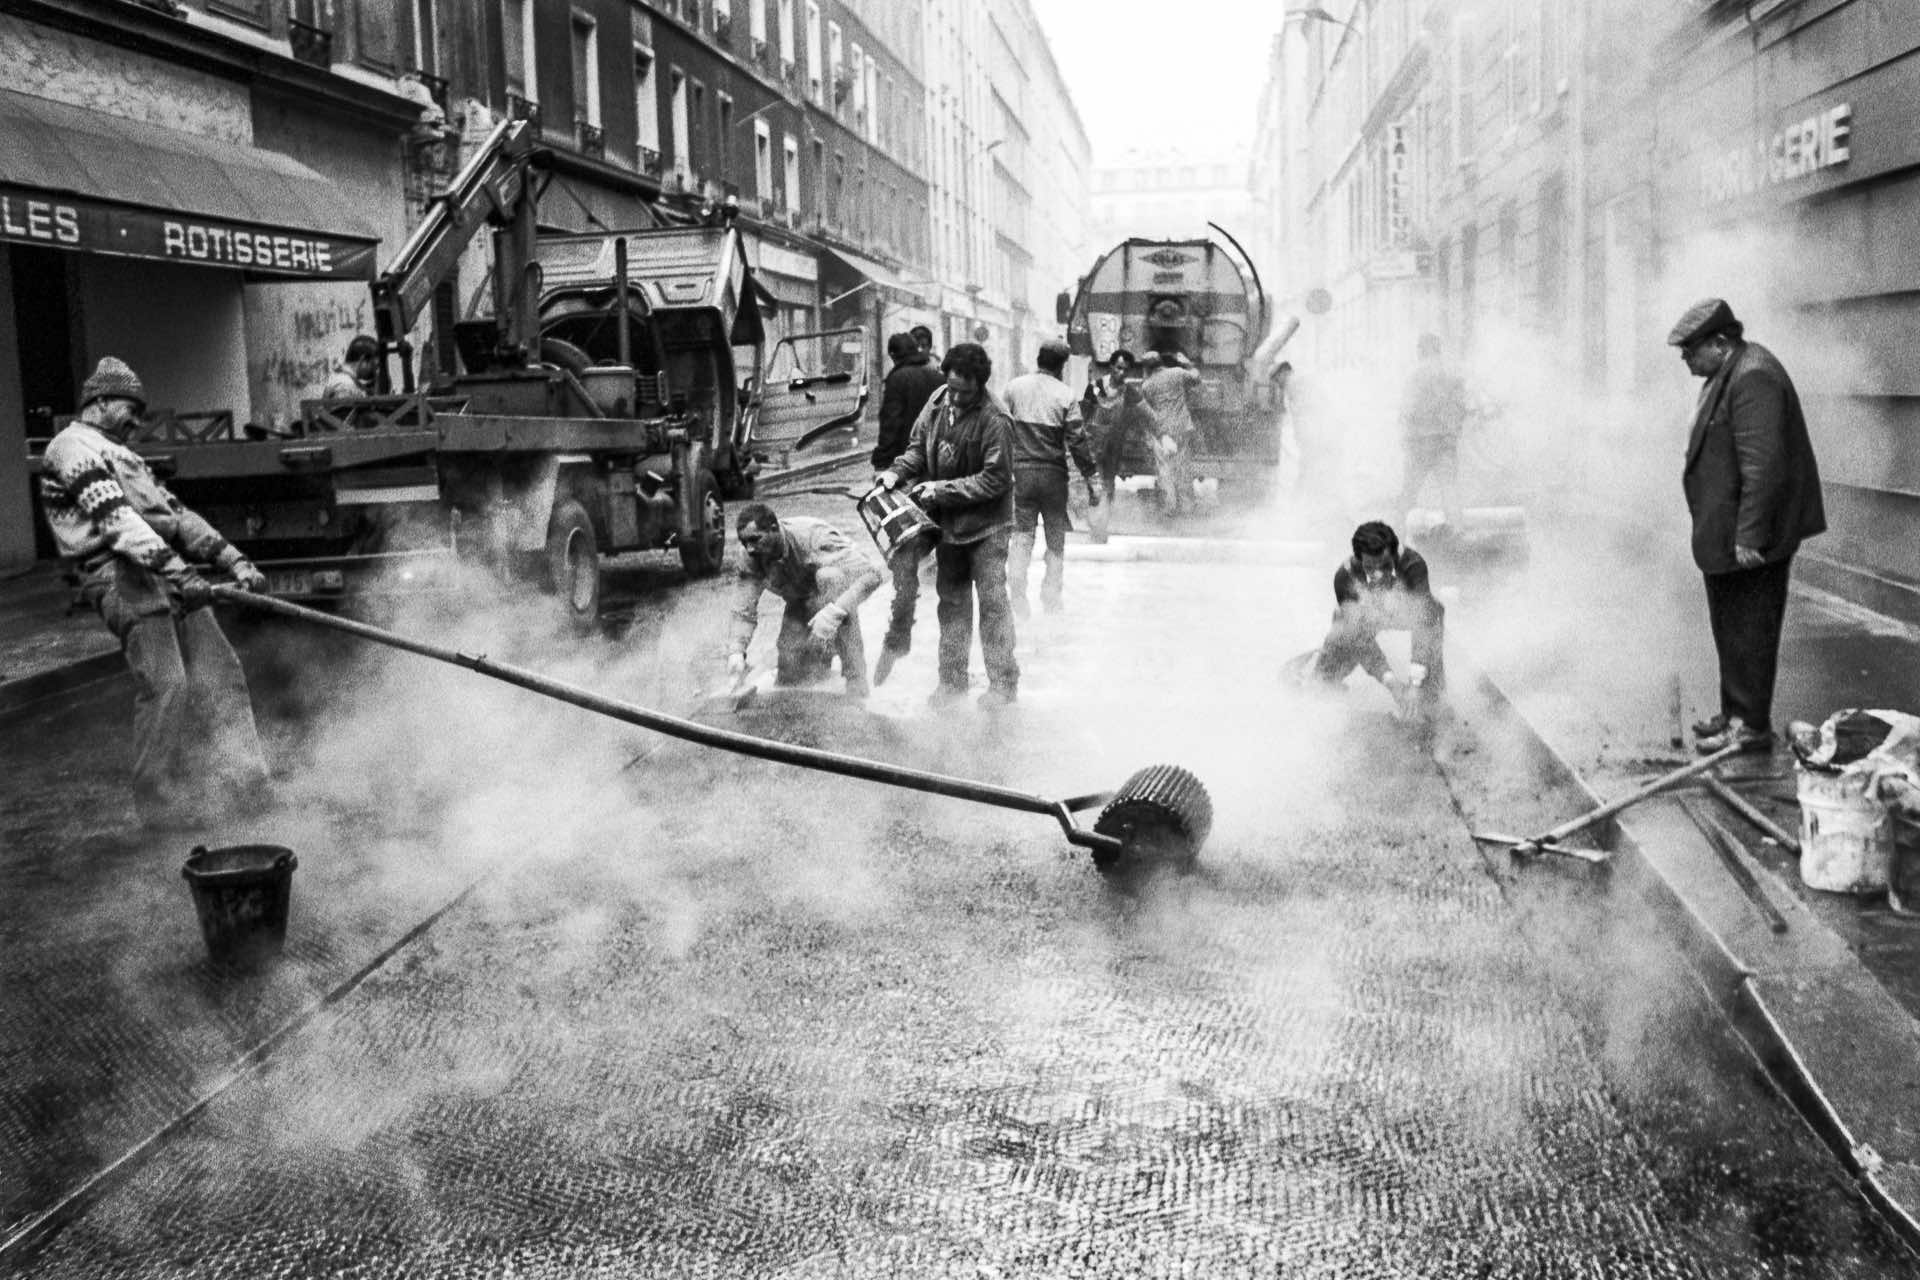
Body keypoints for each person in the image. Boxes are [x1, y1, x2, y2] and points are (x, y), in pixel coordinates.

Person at [37, 357, 272, 831]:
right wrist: (180, 572)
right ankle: (157, 806)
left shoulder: (124, 454)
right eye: (132, 409)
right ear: (101, 401)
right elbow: (118, 522)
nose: (137, 422)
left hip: (158, 570)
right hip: (117, 574)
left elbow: (176, 516)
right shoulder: (71, 447)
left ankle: (248, 782)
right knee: (166, 685)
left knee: (221, 671)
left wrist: (234, 559)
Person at [1669, 297, 1825, 755]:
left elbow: (1764, 466)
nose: (1685, 358)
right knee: (1731, 627)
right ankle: (1735, 712)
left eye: (1691, 349)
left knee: (1750, 631)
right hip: (1728, 532)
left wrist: (1750, 536)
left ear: (1720, 343)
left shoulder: (1754, 376)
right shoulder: (1729, 371)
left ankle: (1751, 725)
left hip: (1753, 537)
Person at [875, 342, 1019, 709]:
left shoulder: (996, 418)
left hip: (988, 526)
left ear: (979, 386)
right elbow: (917, 447)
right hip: (949, 524)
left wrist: (940, 490)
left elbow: (995, 479)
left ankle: (1003, 684)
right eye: (951, 388)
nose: (954, 398)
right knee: (952, 604)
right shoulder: (939, 399)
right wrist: (896, 472)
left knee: (992, 603)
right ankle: (952, 684)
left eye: (963, 392)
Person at [726, 504, 883, 699]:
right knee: (790, 673)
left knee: (830, 577)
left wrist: (834, 612)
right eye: (744, 542)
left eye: (755, 539)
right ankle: (820, 666)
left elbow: (872, 575)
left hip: (836, 598)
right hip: (800, 599)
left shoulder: (813, 537)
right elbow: (743, 611)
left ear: (774, 529)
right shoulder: (750, 557)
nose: (749, 549)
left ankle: (856, 681)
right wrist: (736, 652)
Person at [870, 332, 948, 684]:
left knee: (905, 544)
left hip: (905, 467)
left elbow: (891, 421)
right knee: (936, 532)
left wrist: (883, 462)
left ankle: (900, 628)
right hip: (935, 467)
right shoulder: (935, 376)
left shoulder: (898, 379)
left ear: (893, 355)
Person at [1309, 520, 1446, 719]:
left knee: (1433, 612)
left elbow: (1423, 620)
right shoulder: (1345, 576)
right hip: (1367, 616)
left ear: (1394, 554)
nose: (1379, 574)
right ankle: (1324, 676)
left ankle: (1431, 692)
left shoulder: (1413, 565)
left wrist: (1415, 683)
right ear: (1359, 560)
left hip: (1404, 611)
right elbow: (1358, 638)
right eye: (1370, 568)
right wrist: (1391, 682)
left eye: (1385, 565)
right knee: (1343, 627)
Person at [1005, 339, 1101, 619]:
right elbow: (1078, 442)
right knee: (1055, 539)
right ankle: (1051, 598)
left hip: (1021, 474)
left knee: (1022, 535)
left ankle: (1018, 595)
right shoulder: (1066, 395)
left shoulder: (1014, 388)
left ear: (1039, 358)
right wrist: (1092, 478)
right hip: (1053, 477)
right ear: (1062, 365)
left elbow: (1000, 428)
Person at [1396, 333, 1469, 529]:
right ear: (1438, 349)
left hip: (1419, 444)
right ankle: (1457, 533)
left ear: (1421, 350)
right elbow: (1461, 408)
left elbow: (1407, 409)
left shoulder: (1414, 375)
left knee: (1409, 493)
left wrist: (1405, 437)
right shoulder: (1452, 374)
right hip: (1445, 443)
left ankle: (1396, 536)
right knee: (1450, 491)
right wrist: (1453, 434)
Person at [1083, 349, 1139, 542]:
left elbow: (1140, 415)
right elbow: (1084, 415)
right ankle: (1095, 525)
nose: (1121, 373)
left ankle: (1101, 527)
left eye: (1125, 370)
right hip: (1094, 446)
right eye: (1118, 368)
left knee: (1108, 486)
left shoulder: (1129, 393)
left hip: (1114, 448)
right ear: (1111, 367)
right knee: (1095, 486)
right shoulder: (1095, 388)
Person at [1139, 349, 1202, 517]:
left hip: (1162, 432)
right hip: (1182, 427)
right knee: (1183, 466)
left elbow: (1147, 411)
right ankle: (1187, 506)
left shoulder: (1147, 386)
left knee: (1164, 469)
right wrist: (1188, 363)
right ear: (1161, 361)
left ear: (1146, 368)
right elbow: (1196, 378)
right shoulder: (1177, 373)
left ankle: (1169, 507)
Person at [321, 334, 380, 403]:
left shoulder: (340, 378)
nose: (375, 372)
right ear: (363, 360)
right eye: (374, 366)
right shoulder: (347, 386)